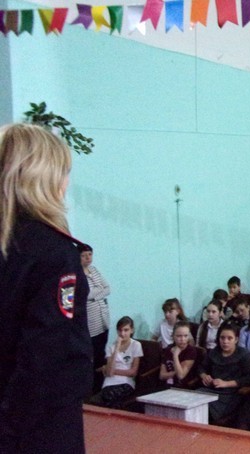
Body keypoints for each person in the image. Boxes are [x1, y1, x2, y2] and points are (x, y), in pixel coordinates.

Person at [0, 124, 92, 453]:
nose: (66, 184)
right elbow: (43, 357)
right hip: (39, 425)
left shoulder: (10, 242)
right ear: (44, 178)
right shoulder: (53, 251)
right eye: (63, 173)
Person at [198, 323, 250, 425]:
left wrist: (226, 383)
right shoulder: (214, 352)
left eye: (229, 338)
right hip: (212, 388)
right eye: (222, 338)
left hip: (231, 393)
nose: (225, 341)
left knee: (207, 410)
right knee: (194, 401)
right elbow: (201, 367)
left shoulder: (244, 355)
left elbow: (249, 378)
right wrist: (204, 376)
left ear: (236, 340)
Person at [78, 243, 111, 393]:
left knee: (101, 354)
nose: (88, 258)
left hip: (103, 319)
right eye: (84, 256)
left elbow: (107, 288)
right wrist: (98, 293)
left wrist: (95, 295)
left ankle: (100, 386)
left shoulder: (94, 270)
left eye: (90, 254)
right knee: (92, 355)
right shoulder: (78, 274)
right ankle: (90, 389)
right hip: (91, 323)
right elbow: (85, 295)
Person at [95, 316, 143, 408]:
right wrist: (117, 347)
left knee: (111, 397)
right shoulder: (111, 347)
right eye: (120, 330)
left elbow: (133, 372)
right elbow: (109, 373)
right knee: (108, 396)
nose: (122, 333)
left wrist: (110, 370)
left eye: (126, 330)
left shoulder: (136, 345)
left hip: (126, 382)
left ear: (132, 330)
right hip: (109, 382)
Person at [160, 320, 198, 389]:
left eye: (185, 336)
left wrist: (175, 355)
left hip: (182, 387)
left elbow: (180, 376)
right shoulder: (168, 349)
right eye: (179, 336)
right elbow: (161, 375)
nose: (182, 339)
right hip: (166, 386)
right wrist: (175, 373)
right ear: (173, 336)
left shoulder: (191, 351)